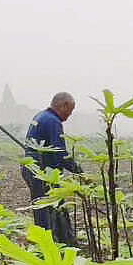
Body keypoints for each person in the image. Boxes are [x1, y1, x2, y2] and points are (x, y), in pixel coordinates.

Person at [22, 93, 81, 245]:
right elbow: (60, 153)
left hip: (32, 168)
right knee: (47, 210)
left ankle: (64, 240)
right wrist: (80, 171)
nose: (70, 115)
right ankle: (49, 245)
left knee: (51, 206)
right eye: (70, 110)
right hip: (42, 172)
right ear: (64, 106)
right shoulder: (53, 121)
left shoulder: (41, 116)